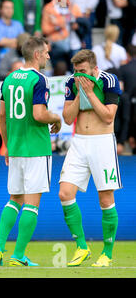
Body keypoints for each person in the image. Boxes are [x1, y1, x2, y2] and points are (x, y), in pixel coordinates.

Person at [0, 36, 61, 267]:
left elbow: (1, 117)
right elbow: (40, 114)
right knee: (32, 203)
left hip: (17, 148)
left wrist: (8, 145)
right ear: (38, 54)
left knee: (14, 199)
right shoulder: (40, 80)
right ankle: (18, 255)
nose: (49, 56)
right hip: (37, 148)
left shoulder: (9, 79)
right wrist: (56, 117)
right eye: (47, 52)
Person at [59, 49, 122, 267]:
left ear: (94, 68)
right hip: (79, 142)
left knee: (105, 198)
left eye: (83, 71)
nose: (79, 76)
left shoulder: (109, 80)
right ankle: (82, 247)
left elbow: (108, 117)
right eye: (76, 71)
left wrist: (91, 92)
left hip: (102, 142)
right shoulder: (71, 83)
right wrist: (79, 93)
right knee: (64, 193)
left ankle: (107, 252)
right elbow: (67, 119)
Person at [0, 0, 25, 71]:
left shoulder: (18, 24)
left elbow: (23, 42)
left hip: (17, 64)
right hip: (0, 65)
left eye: (11, 8)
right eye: (6, 8)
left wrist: (7, 42)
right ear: (1, 10)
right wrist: (17, 42)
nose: (9, 10)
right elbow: (0, 42)